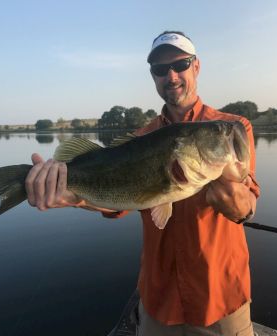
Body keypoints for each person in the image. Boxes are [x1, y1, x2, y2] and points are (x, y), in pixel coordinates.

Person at [25, 31, 260, 336]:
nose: (171, 75)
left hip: (220, 298)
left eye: (180, 64)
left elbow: (248, 204)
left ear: (197, 67)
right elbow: (120, 204)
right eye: (160, 70)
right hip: (159, 301)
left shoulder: (234, 127)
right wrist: (75, 198)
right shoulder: (140, 138)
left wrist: (237, 200)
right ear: (153, 77)